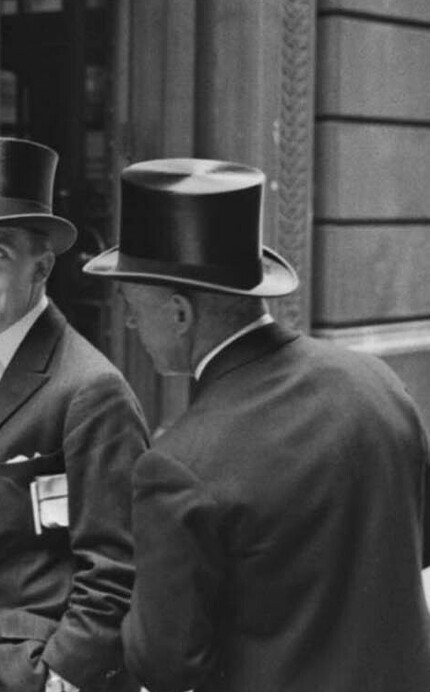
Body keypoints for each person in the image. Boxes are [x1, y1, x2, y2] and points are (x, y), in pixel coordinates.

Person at [83, 158, 430, 692]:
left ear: (180, 313)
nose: (130, 324)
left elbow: (164, 663)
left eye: (133, 307)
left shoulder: (178, 465)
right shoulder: (380, 386)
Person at [0, 137, 148, 692]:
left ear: (41, 267)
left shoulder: (90, 390)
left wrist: (65, 668)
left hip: (33, 671)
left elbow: (117, 563)